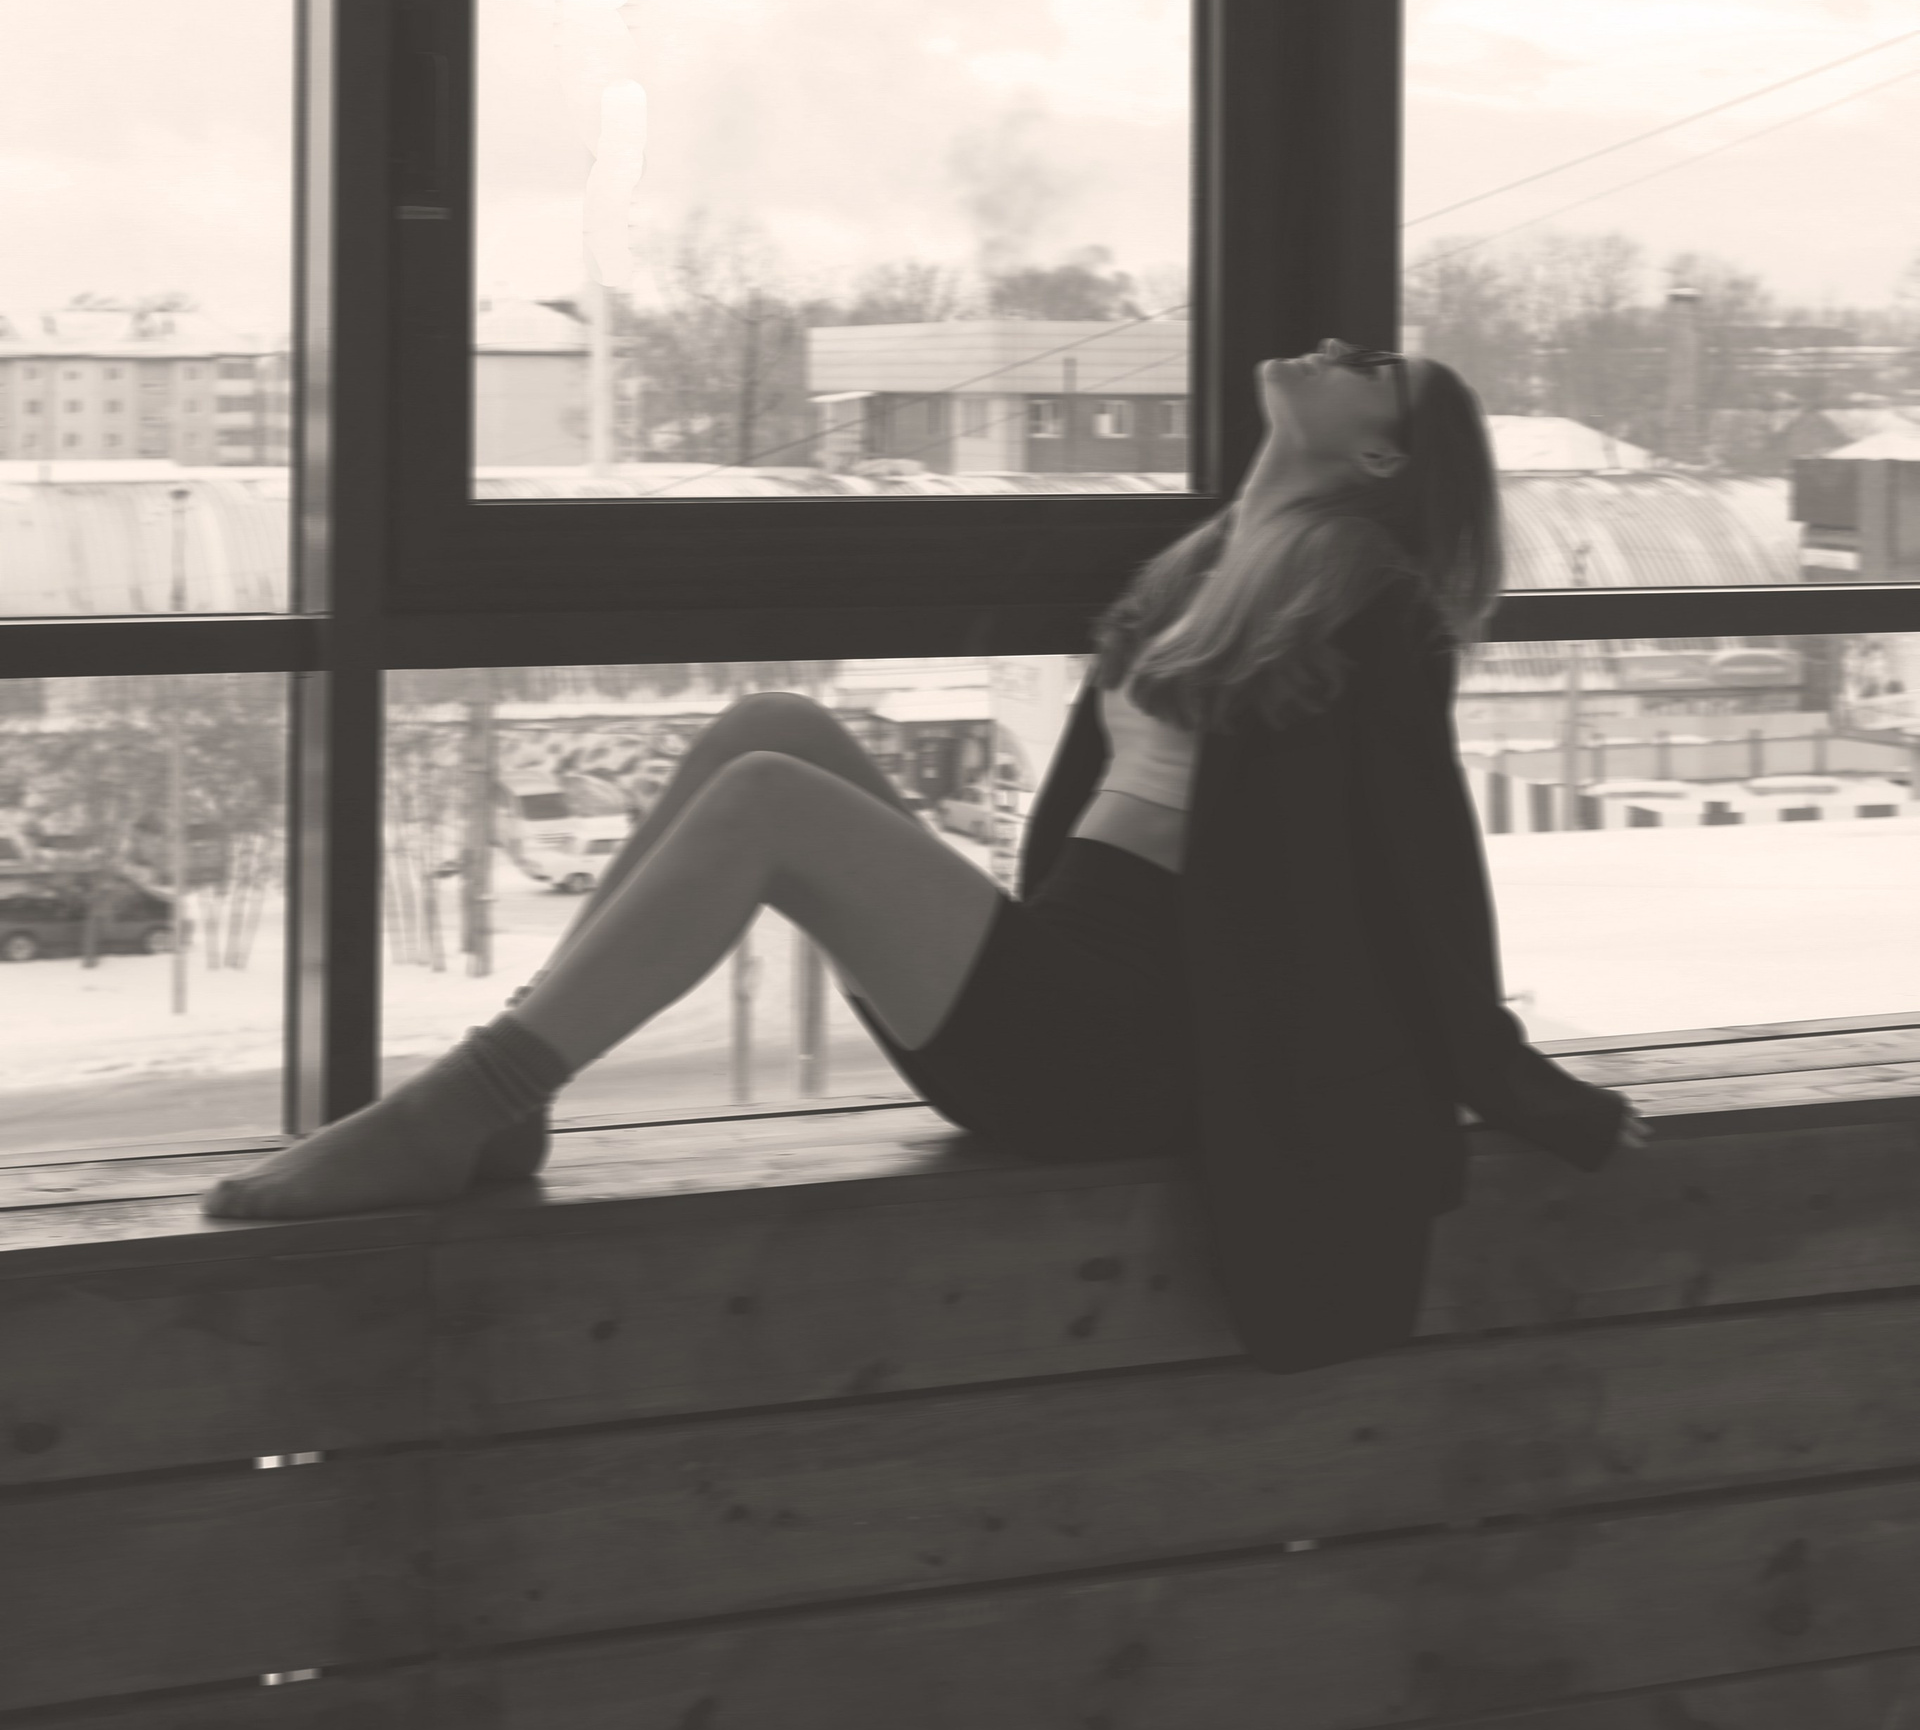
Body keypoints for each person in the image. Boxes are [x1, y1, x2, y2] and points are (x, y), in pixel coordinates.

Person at [205, 341, 1647, 1373]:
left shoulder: (1372, 607)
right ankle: (509, 1102)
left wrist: (1526, 1088)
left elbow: (1421, 869)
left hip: (1122, 1046)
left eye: (1369, 368)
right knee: (772, 728)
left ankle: (464, 1104)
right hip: (1073, 978)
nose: (1330, 348)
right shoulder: (1223, 566)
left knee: (770, 802)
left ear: (1382, 454)